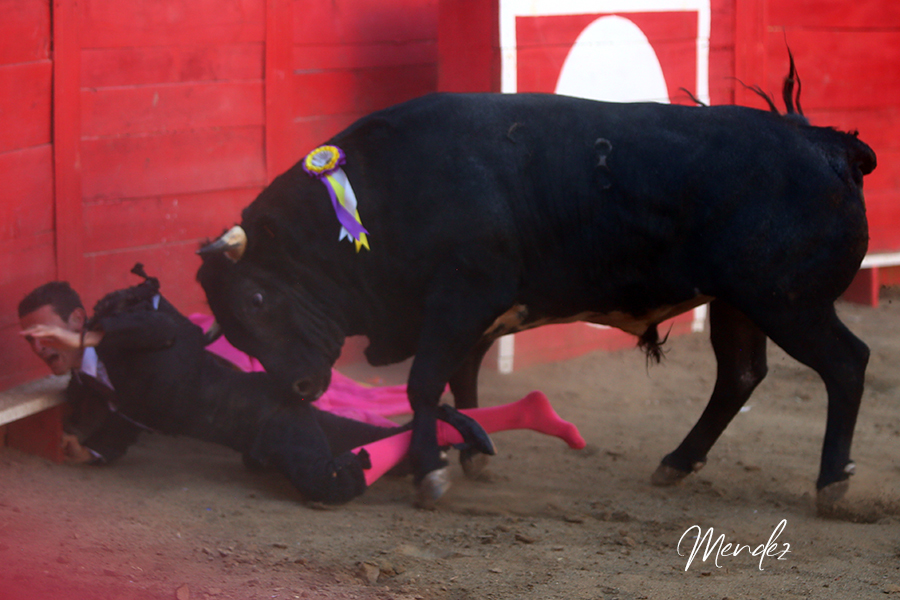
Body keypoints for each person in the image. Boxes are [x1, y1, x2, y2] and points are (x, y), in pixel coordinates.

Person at [18, 267, 585, 504]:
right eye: (31, 340)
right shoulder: (94, 375)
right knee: (396, 453)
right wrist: (93, 452)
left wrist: (87, 338)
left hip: (269, 416)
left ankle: (438, 432)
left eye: (46, 333)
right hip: (259, 428)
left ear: (75, 320)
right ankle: (520, 413)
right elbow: (130, 419)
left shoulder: (122, 331)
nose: (40, 347)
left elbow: (176, 335)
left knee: (328, 486)